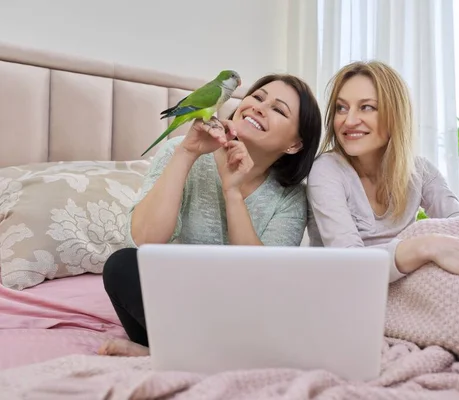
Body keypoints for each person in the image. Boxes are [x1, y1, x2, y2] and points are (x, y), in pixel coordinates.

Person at [100, 73, 322, 356]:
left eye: (278, 110)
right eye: (257, 97)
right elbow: (144, 239)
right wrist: (186, 153)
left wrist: (233, 192)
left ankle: (174, 355)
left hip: (242, 313)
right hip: (179, 304)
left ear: (294, 145)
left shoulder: (291, 197)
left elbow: (262, 281)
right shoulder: (179, 150)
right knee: (122, 265)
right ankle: (205, 355)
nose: (259, 107)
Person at [306, 60, 459, 287]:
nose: (349, 120)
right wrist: (428, 245)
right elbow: (351, 265)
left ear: (395, 115)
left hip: (406, 290)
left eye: (366, 107)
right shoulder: (326, 171)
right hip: (348, 295)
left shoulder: (419, 171)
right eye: (341, 108)